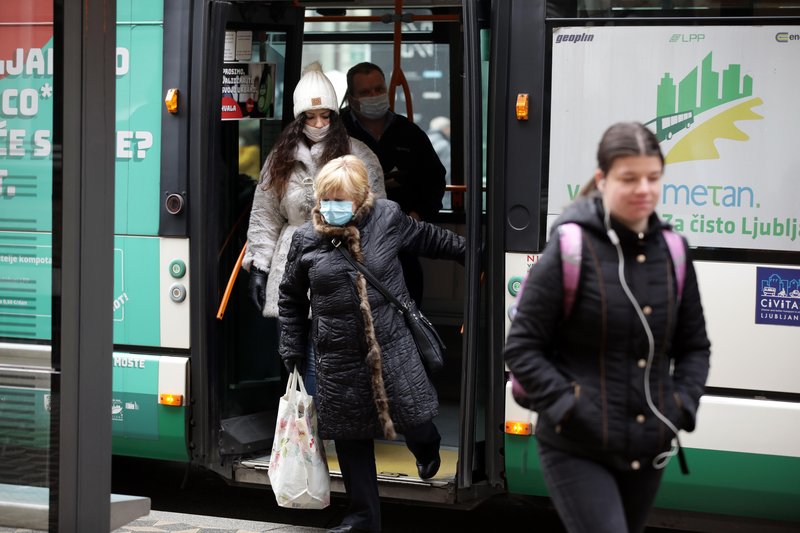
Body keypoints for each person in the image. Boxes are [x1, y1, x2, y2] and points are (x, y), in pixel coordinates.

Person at [504, 122, 711, 533]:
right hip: (576, 445)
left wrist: (681, 406)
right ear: (603, 180)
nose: (644, 190)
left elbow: (695, 347)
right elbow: (521, 350)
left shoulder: (673, 251)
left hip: (647, 446)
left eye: (653, 178)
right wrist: (570, 408)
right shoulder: (570, 248)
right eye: (629, 179)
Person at [279, 155, 464, 533]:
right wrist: (291, 347)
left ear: (362, 199)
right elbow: (291, 297)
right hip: (337, 353)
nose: (332, 208)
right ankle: (364, 517)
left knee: (415, 417)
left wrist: (478, 254)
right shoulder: (305, 239)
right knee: (351, 436)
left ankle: (427, 448)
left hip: (392, 342)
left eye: (341, 200)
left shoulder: (387, 218)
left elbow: (433, 239)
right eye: (326, 199)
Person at [243, 62, 386, 392]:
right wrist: (260, 268)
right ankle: (305, 436)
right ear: (298, 119)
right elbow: (265, 217)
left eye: (325, 115)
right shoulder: (279, 159)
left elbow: (378, 216)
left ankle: (334, 427)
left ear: (336, 116)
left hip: (342, 265)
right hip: (291, 266)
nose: (319, 123)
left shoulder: (359, 156)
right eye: (310, 116)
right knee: (293, 355)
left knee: (336, 360)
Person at [340, 62, 446, 308]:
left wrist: (418, 215)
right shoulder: (337, 132)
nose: (374, 96)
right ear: (352, 98)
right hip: (349, 240)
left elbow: (434, 178)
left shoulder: (409, 133)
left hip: (400, 238)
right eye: (365, 93)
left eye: (378, 89)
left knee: (406, 304)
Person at [427, 116, 451, 182]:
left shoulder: (422, 141)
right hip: (437, 187)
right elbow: (447, 170)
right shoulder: (444, 145)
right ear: (446, 129)